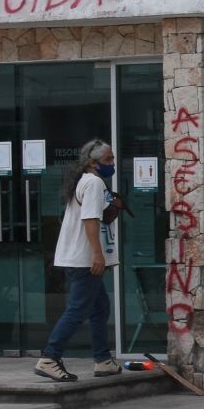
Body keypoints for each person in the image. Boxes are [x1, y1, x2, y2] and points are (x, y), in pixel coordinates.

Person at [35, 139, 120, 383]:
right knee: (78, 309)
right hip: (84, 259)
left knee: (100, 308)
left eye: (112, 158)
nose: (112, 163)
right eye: (108, 160)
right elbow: (90, 219)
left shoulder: (85, 181)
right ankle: (50, 357)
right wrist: (97, 254)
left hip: (79, 258)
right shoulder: (93, 183)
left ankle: (103, 360)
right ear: (92, 163)